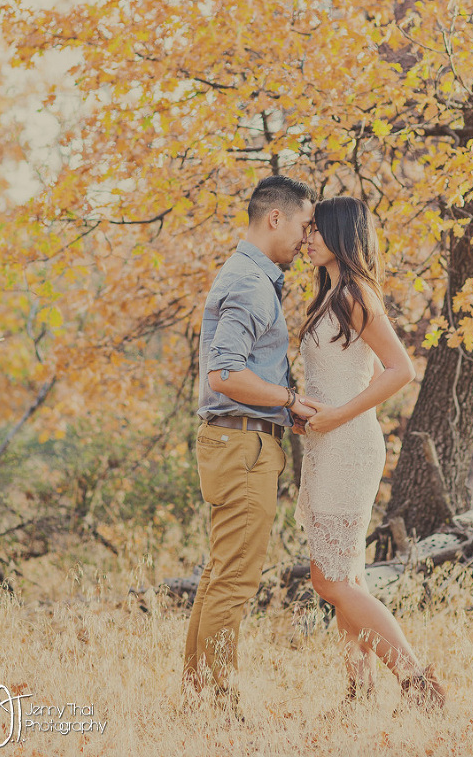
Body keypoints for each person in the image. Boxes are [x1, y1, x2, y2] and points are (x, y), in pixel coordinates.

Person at [295, 195, 446, 713]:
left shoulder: (355, 293)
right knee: (346, 577)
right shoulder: (330, 296)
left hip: (348, 444)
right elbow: (333, 375)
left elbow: (400, 369)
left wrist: (337, 415)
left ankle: (416, 680)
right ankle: (358, 695)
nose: (306, 238)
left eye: (315, 230)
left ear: (340, 235)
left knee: (329, 579)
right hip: (325, 443)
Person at [183, 175, 319, 709]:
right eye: (304, 227)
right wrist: (287, 400)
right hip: (242, 447)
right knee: (236, 581)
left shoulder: (249, 276)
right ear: (275, 219)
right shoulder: (249, 283)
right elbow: (224, 373)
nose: (306, 241)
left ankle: (199, 695)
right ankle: (222, 703)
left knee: (221, 573)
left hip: (237, 443)